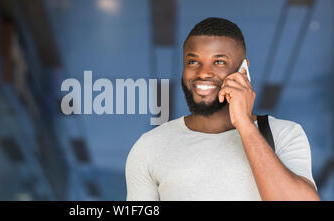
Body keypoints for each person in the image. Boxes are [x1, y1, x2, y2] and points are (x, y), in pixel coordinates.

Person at [125, 17, 320, 201]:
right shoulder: (150, 146)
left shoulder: (284, 134)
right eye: (193, 62)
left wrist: (244, 124)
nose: (203, 73)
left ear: (243, 69)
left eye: (219, 62)